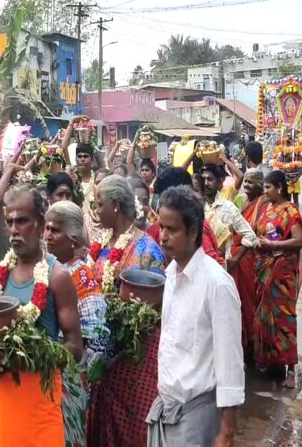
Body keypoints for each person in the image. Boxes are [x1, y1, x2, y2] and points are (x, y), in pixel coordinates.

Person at [0, 184, 83, 447]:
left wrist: (27, 356)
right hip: (2, 400)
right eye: (9, 222)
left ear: (40, 222)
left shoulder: (57, 276)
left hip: (38, 403)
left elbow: (75, 347)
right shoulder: (0, 273)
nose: (14, 229)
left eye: (22, 221)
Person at [147, 185, 244, 445]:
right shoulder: (170, 275)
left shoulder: (217, 284)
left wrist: (227, 430)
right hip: (168, 408)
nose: (163, 237)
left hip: (197, 415)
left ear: (193, 231)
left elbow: (230, 360)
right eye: (161, 228)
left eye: (172, 229)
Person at [87, 175, 166, 446]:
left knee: (132, 428)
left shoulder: (145, 248)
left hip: (135, 356)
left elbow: (152, 308)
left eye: (99, 205)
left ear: (116, 206)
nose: (96, 211)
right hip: (105, 354)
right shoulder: (102, 245)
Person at [45, 201, 109, 446]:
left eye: (55, 230)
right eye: (47, 229)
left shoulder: (80, 274)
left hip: (70, 374)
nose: (48, 236)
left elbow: (95, 331)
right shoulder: (47, 269)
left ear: (72, 238)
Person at [253, 170, 302, 388]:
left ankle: (291, 369)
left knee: (284, 317)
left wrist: (274, 245)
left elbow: (298, 242)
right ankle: (270, 361)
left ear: (279, 187)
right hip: (264, 267)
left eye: (268, 188)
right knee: (264, 315)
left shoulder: (290, 211)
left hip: (282, 271)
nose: (265, 191)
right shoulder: (266, 209)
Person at [146, 167, 224, 267]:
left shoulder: (193, 223)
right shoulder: (172, 271)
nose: (163, 237)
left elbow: (212, 267)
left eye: (172, 229)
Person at [229, 169, 266, 358]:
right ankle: (240, 343)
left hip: (251, 257)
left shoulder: (264, 203)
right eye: (246, 182)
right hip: (235, 255)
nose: (246, 185)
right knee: (237, 301)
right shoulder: (241, 201)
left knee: (251, 301)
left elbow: (264, 230)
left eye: (250, 182)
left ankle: (253, 343)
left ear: (260, 185)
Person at [201, 164, 257, 263]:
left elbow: (250, 235)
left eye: (210, 179)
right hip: (201, 265)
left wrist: (236, 259)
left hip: (221, 265)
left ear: (219, 182)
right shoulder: (197, 207)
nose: (205, 183)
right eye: (203, 179)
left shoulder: (228, 208)